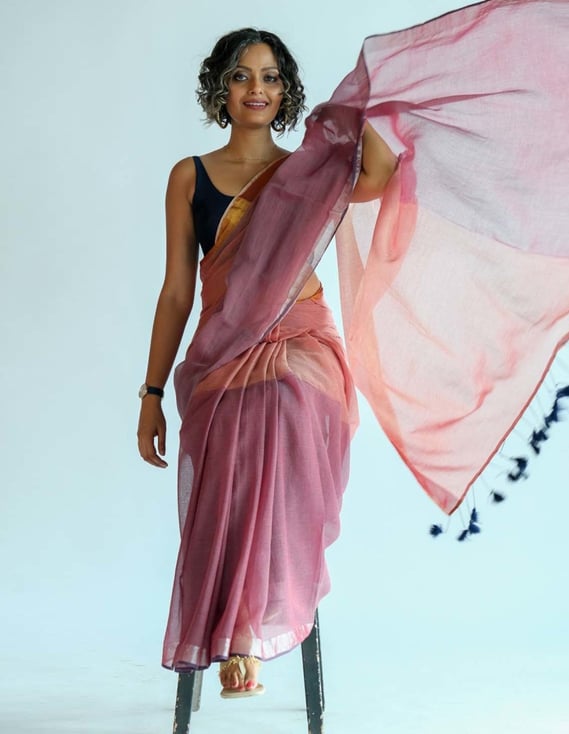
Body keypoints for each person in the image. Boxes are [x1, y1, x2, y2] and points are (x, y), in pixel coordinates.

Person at [137, 28, 397, 698]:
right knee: (236, 424)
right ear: (220, 89)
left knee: (279, 405)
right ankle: (236, 624)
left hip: (302, 345)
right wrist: (151, 393)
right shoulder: (190, 177)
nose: (257, 88)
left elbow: (379, 175)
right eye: (242, 75)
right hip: (222, 354)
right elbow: (176, 292)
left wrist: (354, 110)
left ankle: (245, 636)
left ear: (286, 92)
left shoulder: (307, 170)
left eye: (271, 77)